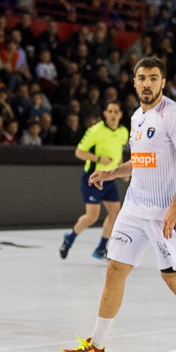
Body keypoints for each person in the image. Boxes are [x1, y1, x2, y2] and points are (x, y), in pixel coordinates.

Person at [59, 56, 176, 352]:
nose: (146, 83)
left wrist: (175, 208)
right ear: (134, 82)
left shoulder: (174, 116)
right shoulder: (136, 117)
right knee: (115, 270)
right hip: (134, 207)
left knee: (173, 278)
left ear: (163, 82)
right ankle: (96, 345)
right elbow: (142, 160)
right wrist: (110, 173)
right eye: (141, 78)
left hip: (165, 212)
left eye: (153, 78)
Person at [59, 100, 129, 261]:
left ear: (120, 114)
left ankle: (101, 248)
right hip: (93, 177)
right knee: (92, 216)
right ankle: (70, 237)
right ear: (104, 113)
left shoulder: (123, 132)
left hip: (109, 178)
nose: (112, 115)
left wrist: (122, 171)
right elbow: (79, 152)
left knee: (115, 213)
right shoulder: (95, 130)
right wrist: (98, 158)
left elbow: (118, 152)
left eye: (116, 111)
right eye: (110, 111)